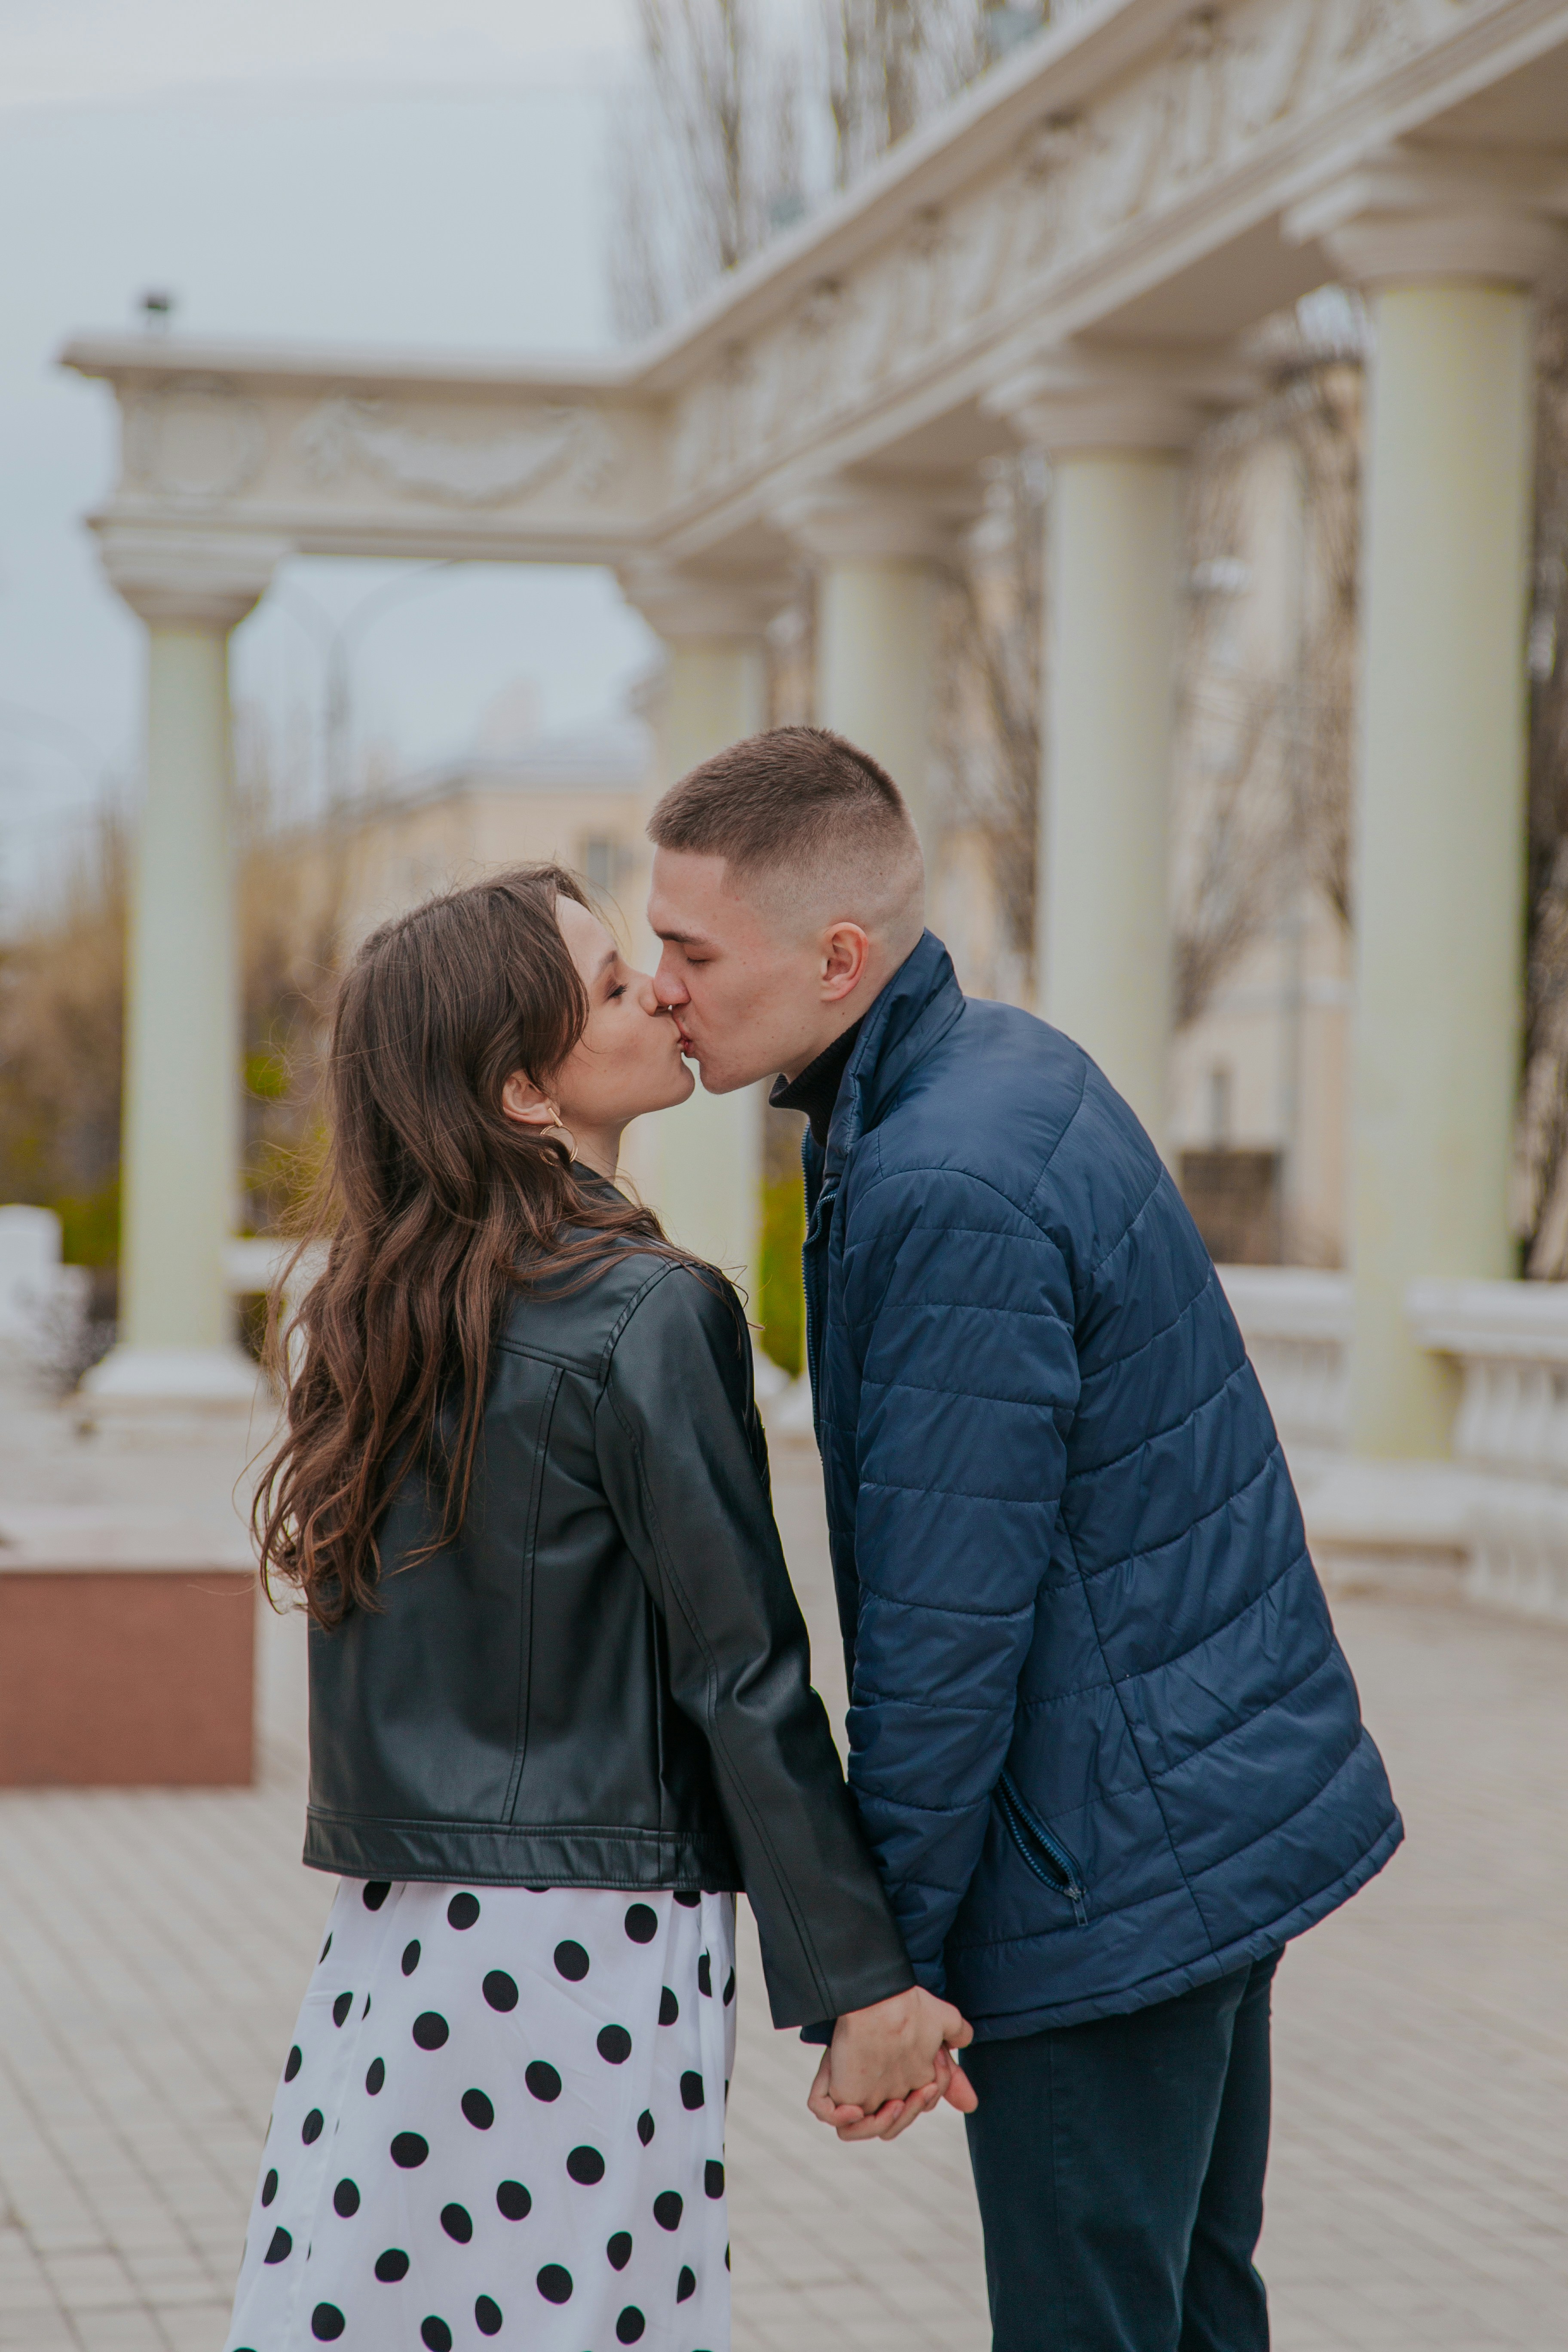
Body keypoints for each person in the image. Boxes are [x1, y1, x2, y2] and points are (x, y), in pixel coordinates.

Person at [646, 728, 1404, 2352]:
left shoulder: (940, 1180)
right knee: (1195, 2310)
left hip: (1097, 1879)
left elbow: (946, 1626)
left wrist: (885, 1979)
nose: (662, 990)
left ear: (838, 958)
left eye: (692, 953)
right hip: (1190, 1831)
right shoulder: (997, 1074)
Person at [225, 865, 971, 2352]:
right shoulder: (648, 1310)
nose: (662, 992)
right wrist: (863, 1985)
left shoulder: (376, 1312)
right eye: (616, 985)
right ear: (523, 1088)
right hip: (591, 1941)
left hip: (403, 1940)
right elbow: (741, 1671)